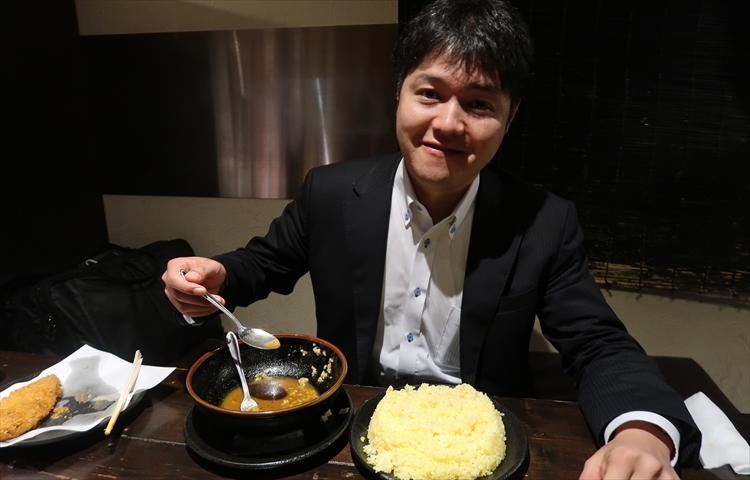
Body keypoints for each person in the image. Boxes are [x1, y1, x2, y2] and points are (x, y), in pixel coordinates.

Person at [163, 0, 701, 477]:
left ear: (510, 117)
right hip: (348, 432)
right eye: (429, 93)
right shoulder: (329, 192)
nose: (448, 123)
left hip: (478, 447)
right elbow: (263, 263)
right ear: (398, 94)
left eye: (479, 104)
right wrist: (216, 277)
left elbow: (597, 342)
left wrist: (641, 432)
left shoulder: (544, 221)